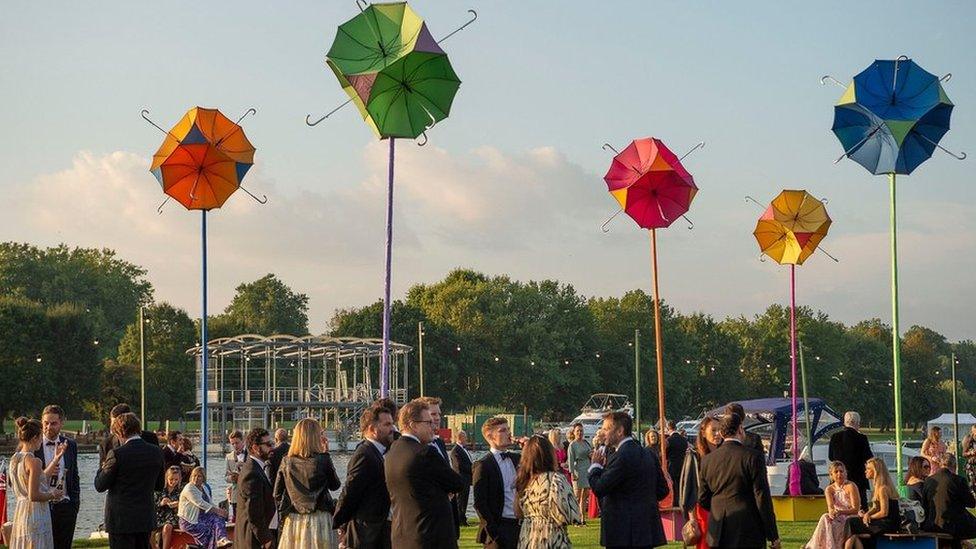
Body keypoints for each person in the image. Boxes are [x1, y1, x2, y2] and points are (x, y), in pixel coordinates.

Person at [385, 398, 465, 549]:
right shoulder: (425, 453)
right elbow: (457, 483)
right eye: (428, 422)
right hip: (430, 535)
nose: (433, 427)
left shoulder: (392, 451)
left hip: (402, 535)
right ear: (413, 425)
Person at [698, 408, 780, 549]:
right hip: (747, 526)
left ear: (722, 434)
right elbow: (761, 497)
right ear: (741, 430)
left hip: (718, 529)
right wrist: (773, 535)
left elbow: (703, 498)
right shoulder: (753, 457)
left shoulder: (707, 460)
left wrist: (718, 507)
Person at [588, 411, 668, 549]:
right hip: (645, 529)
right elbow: (662, 490)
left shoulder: (621, 456)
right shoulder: (648, 454)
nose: (602, 433)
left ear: (620, 431)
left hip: (622, 531)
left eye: (606, 429)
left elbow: (600, 488)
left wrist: (595, 467)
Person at [94, 412, 165, 549]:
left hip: (120, 519)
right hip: (145, 516)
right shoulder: (156, 452)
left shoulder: (117, 454)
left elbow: (100, 485)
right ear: (138, 429)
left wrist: (102, 468)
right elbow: (159, 485)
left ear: (119, 433)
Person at [334, 404, 395, 549]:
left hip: (379, 529)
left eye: (392, 424)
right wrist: (340, 522)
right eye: (387, 424)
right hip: (366, 532)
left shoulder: (379, 453)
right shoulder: (364, 454)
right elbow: (350, 491)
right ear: (372, 429)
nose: (392, 429)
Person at [274, 418, 341, 549]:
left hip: (294, 518)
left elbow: (277, 493)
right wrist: (326, 453)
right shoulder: (323, 459)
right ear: (316, 437)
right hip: (320, 517)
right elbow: (335, 486)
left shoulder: (286, 461)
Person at [515, 435, 581, 549]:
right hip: (551, 537)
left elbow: (517, 513)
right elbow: (571, 515)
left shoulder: (524, 480)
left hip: (527, 537)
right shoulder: (555, 479)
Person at [9, 417, 63, 549]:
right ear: (34, 438)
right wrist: (53, 494)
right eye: (41, 437)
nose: (41, 440)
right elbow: (33, 495)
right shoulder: (34, 461)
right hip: (35, 513)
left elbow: (41, 477)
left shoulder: (15, 458)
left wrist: (56, 459)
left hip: (21, 511)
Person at [35, 405, 80, 549]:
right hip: (41, 506)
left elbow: (74, 475)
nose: (49, 427)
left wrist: (74, 503)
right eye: (46, 423)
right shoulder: (34, 446)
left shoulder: (71, 445)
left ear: (61, 423)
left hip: (66, 506)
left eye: (53, 423)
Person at [474, 417, 521, 549]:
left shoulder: (517, 459)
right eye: (503, 430)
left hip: (519, 526)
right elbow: (480, 502)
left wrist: (529, 445)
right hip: (499, 528)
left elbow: (542, 463)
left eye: (508, 430)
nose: (509, 434)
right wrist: (493, 531)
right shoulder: (483, 465)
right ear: (490, 436)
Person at [421, 396, 460, 538]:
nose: (437, 418)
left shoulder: (439, 443)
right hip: (428, 519)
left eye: (439, 414)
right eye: (433, 414)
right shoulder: (415, 448)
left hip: (447, 513)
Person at [679, 416, 720, 549]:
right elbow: (689, 487)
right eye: (713, 430)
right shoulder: (694, 456)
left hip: (721, 507)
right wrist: (692, 518)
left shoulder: (724, 454)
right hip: (702, 510)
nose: (717, 434)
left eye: (719, 430)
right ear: (703, 432)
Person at [843, 457, 900, 549]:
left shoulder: (883, 489)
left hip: (889, 523)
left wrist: (869, 517)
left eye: (868, 469)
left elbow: (884, 512)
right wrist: (867, 514)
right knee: (853, 532)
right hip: (882, 521)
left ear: (876, 471)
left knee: (851, 523)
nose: (865, 471)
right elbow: (875, 507)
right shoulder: (877, 487)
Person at [235, 428, 276, 549]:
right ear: (255, 448)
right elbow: (253, 511)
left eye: (272, 443)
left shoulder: (256, 468)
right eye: (268, 444)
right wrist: (266, 539)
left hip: (258, 537)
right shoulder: (251, 472)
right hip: (254, 540)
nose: (272, 448)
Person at [921, 453, 976, 544]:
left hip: (932, 524)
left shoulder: (928, 480)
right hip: (953, 525)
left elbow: (925, 505)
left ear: (940, 465)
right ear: (954, 466)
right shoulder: (958, 480)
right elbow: (971, 503)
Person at [805, 461, 860, 549]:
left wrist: (841, 512)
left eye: (841, 471)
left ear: (846, 473)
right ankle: (819, 546)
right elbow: (830, 508)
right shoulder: (829, 489)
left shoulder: (851, 486)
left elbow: (855, 509)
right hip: (837, 517)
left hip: (850, 516)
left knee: (833, 521)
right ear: (831, 475)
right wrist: (833, 513)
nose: (839, 474)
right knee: (825, 517)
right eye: (836, 472)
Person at [829, 411, 873, 511]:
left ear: (845, 422)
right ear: (857, 423)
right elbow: (868, 457)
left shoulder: (835, 437)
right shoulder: (861, 438)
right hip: (858, 477)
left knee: (839, 504)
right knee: (861, 505)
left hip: (839, 476)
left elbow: (831, 457)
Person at [179, 467, 232, 549]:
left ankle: (222, 539)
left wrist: (221, 511)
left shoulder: (204, 488)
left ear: (203, 478)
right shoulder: (189, 488)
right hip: (190, 521)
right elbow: (200, 503)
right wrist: (218, 511)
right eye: (194, 475)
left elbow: (210, 503)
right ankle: (209, 545)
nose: (196, 478)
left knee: (219, 517)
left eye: (199, 476)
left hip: (202, 518)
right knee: (208, 530)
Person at [566, 423, 590, 526]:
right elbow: (570, 460)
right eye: (578, 431)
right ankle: (574, 518)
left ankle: (582, 518)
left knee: (585, 495)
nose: (580, 433)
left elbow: (590, 452)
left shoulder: (585, 443)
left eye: (581, 431)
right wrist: (572, 473)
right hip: (578, 470)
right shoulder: (572, 445)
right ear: (574, 432)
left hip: (587, 469)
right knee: (577, 496)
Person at [153, 466, 182, 549]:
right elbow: (153, 505)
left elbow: (186, 505)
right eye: (171, 479)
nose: (173, 482)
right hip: (160, 516)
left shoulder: (181, 490)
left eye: (176, 480)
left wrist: (178, 504)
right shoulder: (159, 489)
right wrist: (161, 503)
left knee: (167, 527)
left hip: (173, 516)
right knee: (150, 528)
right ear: (167, 478)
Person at [451, 430, 475, 527]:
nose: (466, 439)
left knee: (464, 499)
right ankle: (460, 519)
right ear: (460, 438)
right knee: (460, 500)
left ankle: (462, 518)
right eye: (465, 437)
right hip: (461, 479)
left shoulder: (463, 449)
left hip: (466, 479)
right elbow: (459, 466)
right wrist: (473, 469)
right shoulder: (455, 451)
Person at [224, 430, 246, 519]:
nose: (235, 446)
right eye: (232, 444)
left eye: (237, 443)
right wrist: (232, 478)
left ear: (243, 441)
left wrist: (244, 468)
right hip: (235, 495)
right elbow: (225, 477)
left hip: (249, 493)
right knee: (237, 521)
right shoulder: (229, 457)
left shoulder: (251, 454)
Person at [665, 420, 688, 487]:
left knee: (673, 486)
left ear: (668, 428)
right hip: (682, 464)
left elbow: (666, 454)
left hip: (672, 465)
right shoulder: (683, 439)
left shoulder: (668, 440)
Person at [961, 425, 976, 491]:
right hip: (971, 465)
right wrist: (970, 453)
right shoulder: (968, 439)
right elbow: (963, 454)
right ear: (973, 431)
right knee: (972, 485)